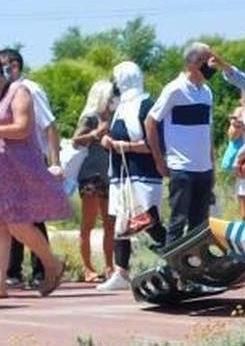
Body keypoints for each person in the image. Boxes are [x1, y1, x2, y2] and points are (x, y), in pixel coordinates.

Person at [0, 49, 69, 299]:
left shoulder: (19, 92)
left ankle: (51, 263)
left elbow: (23, 128)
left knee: (18, 222)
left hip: (18, 169)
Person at [97, 61, 169, 292]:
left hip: (143, 174)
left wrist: (123, 146)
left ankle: (176, 256)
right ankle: (121, 271)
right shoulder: (121, 107)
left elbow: (154, 144)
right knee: (122, 222)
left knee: (148, 220)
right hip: (122, 175)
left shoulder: (147, 105)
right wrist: (108, 142)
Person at [0, 48, 59, 289]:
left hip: (32, 161)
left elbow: (50, 125)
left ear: (14, 66)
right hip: (10, 163)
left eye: (0, 65)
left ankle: (42, 269)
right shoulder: (2, 93)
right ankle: (13, 271)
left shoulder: (30, 89)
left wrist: (54, 163)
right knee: (12, 215)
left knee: (33, 216)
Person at [146, 42, 217, 244]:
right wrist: (159, 160)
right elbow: (151, 122)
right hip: (182, 167)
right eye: (208, 60)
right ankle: (172, 269)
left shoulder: (206, 92)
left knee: (200, 225)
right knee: (178, 221)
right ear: (195, 63)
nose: (212, 65)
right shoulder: (174, 90)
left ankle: (194, 270)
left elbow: (207, 131)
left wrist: (213, 165)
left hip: (204, 167)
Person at [72, 80, 116, 283]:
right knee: (88, 223)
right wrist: (95, 133)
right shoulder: (90, 117)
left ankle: (110, 266)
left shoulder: (114, 116)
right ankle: (87, 267)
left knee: (110, 223)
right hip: (90, 174)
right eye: (110, 96)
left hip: (109, 173)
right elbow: (76, 140)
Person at [222, 103, 245, 220]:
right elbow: (232, 135)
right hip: (243, 163)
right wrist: (239, 124)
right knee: (244, 199)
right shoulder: (241, 111)